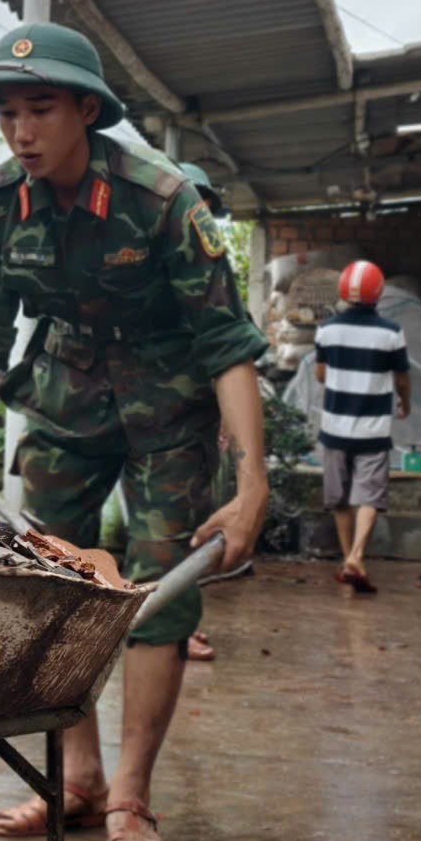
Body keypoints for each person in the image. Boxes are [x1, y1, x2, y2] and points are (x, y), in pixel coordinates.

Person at [0, 22, 269, 841]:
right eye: (7, 113)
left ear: (88, 109)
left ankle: (131, 797)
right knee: (59, 582)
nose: (21, 132)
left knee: (157, 596)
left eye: (40, 109)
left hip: (170, 408)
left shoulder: (161, 197)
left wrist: (252, 482)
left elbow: (228, 342)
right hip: (64, 399)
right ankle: (77, 781)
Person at [177, 160, 247, 663]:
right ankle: (178, 626)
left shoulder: (208, 267)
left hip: (195, 419)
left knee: (191, 524)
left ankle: (180, 623)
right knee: (175, 529)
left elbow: (226, 352)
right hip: (161, 425)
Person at [315, 261, 409, 593]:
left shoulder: (326, 329)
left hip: (334, 425)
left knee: (339, 497)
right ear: (378, 293)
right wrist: (405, 403)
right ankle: (357, 556)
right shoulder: (391, 333)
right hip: (373, 428)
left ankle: (348, 559)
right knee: (369, 495)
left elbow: (321, 374)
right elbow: (401, 378)